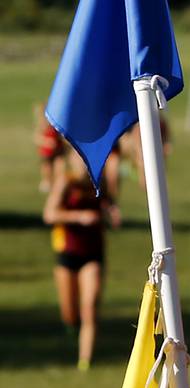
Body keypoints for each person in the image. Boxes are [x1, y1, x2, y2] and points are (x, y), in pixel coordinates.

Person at [43, 147, 120, 370]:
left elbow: (108, 203)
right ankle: (72, 329)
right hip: (67, 252)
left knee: (89, 307)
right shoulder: (66, 183)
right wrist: (78, 217)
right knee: (70, 313)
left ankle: (85, 361)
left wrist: (111, 214)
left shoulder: (99, 183)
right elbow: (49, 214)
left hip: (93, 252)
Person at [33, 102, 65, 193]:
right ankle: (47, 181)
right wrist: (46, 142)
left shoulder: (57, 123)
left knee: (59, 166)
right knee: (47, 167)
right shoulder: (43, 125)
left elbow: (61, 136)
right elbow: (36, 137)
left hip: (58, 150)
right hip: (47, 151)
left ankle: (57, 183)